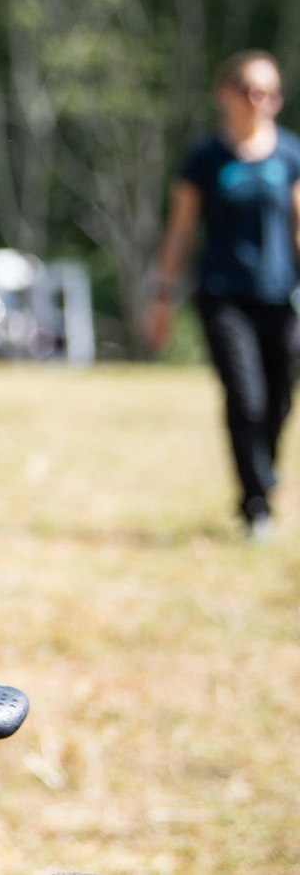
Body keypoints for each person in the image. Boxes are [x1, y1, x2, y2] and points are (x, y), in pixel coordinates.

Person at [145, 49, 300, 541]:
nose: (261, 101)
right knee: (246, 397)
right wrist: (162, 295)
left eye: (271, 93)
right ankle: (255, 503)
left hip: (281, 296)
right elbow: (180, 230)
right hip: (223, 294)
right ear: (225, 94)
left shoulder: (290, 154)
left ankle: (263, 477)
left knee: (279, 399)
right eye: (251, 90)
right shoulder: (205, 159)